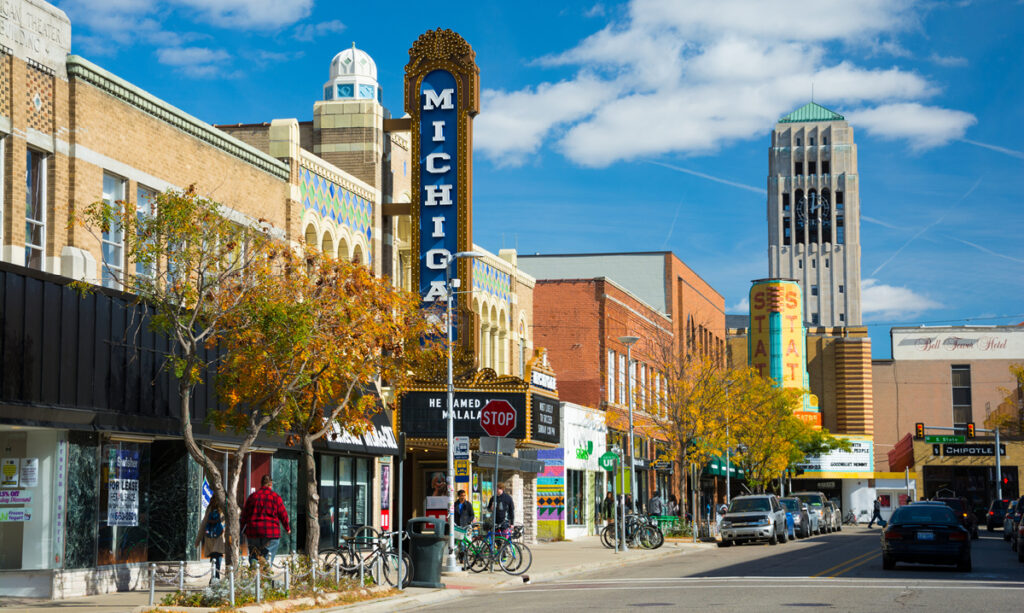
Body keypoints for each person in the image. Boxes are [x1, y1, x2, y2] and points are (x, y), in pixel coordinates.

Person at [240, 475, 291, 567]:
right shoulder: (276, 497)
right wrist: (287, 528)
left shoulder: (252, 497)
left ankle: (255, 576)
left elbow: (244, 515)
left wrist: (242, 529)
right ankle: (265, 576)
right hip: (271, 533)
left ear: (261, 484)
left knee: (254, 555)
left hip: (253, 532)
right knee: (267, 556)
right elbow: (283, 514)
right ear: (270, 484)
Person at [195, 501, 227, 579]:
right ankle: (216, 577)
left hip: (210, 536)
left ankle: (214, 577)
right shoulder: (225, 508)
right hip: (220, 537)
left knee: (213, 557)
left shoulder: (210, 508)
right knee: (218, 556)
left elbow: (204, 523)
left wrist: (198, 540)